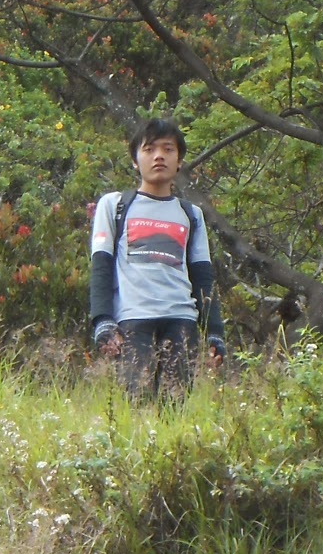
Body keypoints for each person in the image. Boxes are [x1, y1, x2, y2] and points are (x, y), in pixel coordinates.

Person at [89, 117, 227, 399]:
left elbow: (203, 278)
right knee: (137, 402)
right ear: (135, 161)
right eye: (149, 149)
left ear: (179, 161)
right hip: (132, 319)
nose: (159, 156)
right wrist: (102, 320)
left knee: (176, 406)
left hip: (181, 320)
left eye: (168, 149)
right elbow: (101, 266)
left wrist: (214, 332)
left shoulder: (192, 214)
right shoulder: (115, 205)